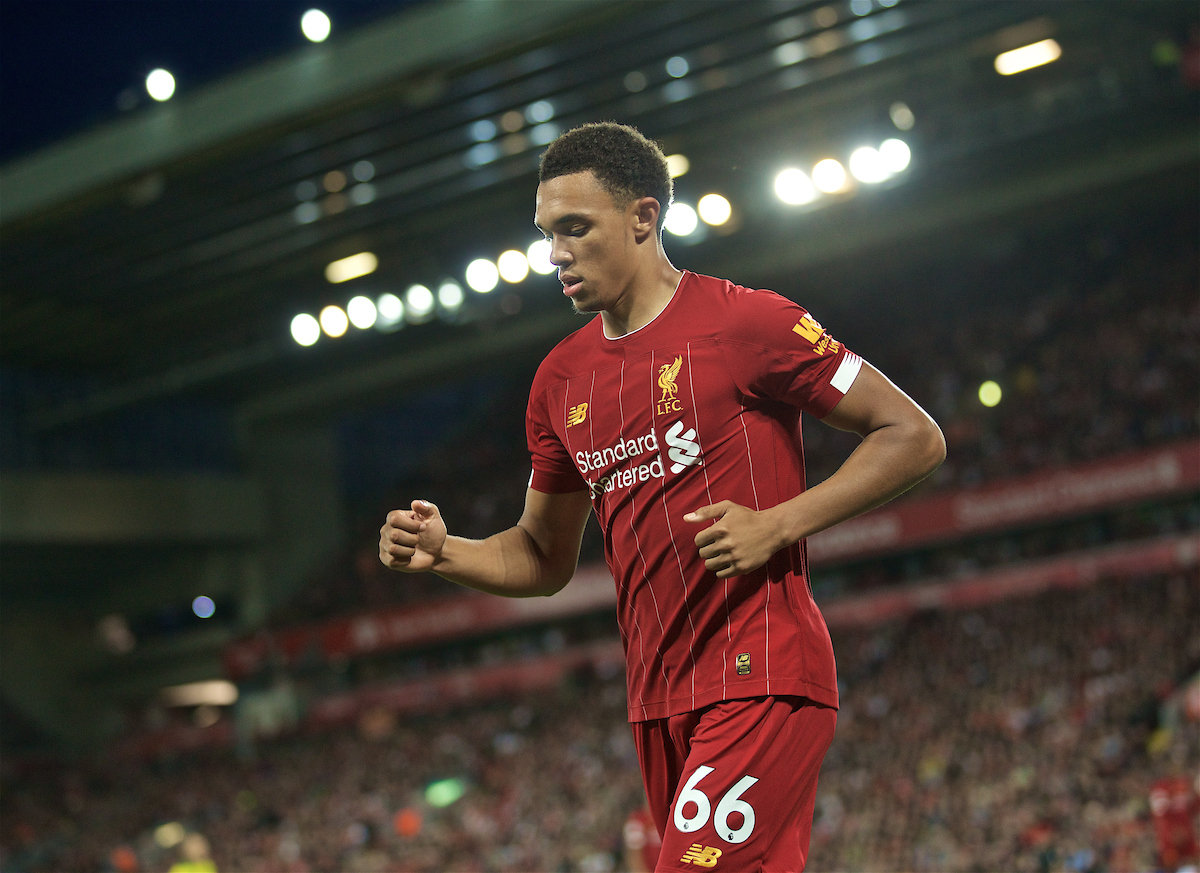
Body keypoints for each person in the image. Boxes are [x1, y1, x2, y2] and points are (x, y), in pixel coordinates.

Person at [381, 122, 945, 870]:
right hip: (656, 701)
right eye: (548, 234)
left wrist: (779, 522)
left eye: (576, 228)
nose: (556, 254)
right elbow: (542, 554)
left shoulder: (745, 323)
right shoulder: (559, 380)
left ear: (643, 217)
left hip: (761, 675)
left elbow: (913, 433)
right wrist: (445, 552)